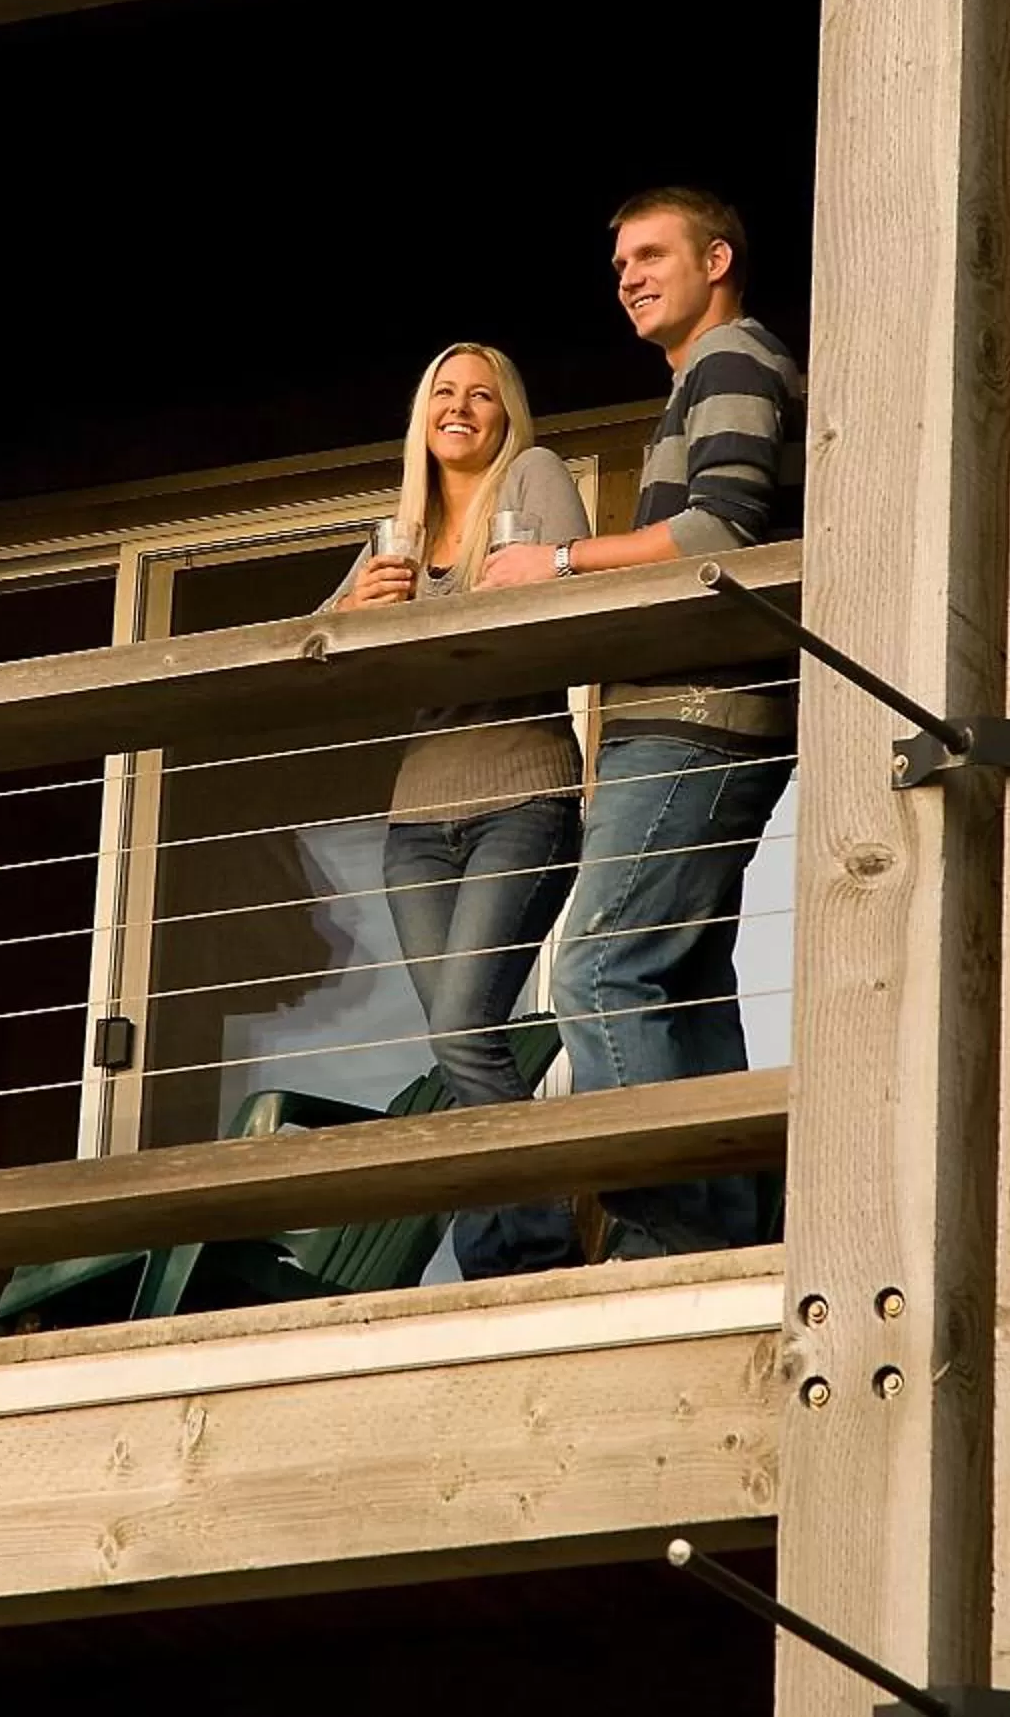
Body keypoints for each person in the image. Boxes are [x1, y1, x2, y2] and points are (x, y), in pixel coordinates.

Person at [479, 187, 805, 1256]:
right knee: (684, 980)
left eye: (650, 253)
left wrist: (557, 564)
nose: (627, 274)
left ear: (719, 259)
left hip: (699, 715)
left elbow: (724, 524)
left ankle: (662, 1235)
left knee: (600, 966)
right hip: (702, 715)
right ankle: (717, 1228)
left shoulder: (732, 360)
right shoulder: (704, 378)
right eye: (617, 261)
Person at [331, 343, 594, 1276]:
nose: (462, 406)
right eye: (444, 391)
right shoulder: (396, 529)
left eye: (483, 394)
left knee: (462, 1033)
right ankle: (502, 1256)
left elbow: (570, 598)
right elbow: (316, 650)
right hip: (415, 823)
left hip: (520, 792)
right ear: (421, 415)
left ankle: (538, 1247)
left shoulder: (532, 478)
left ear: (506, 415)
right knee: (461, 1047)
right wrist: (361, 602)